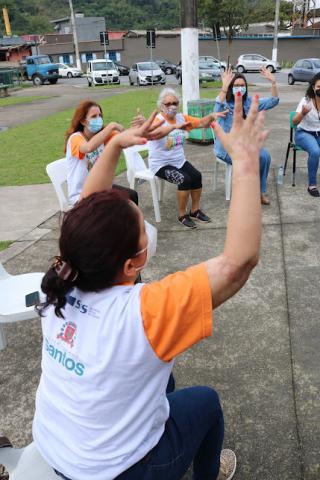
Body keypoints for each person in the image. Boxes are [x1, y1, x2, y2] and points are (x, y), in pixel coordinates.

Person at [33, 94, 268, 480]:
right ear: (132, 263)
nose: (147, 228)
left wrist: (115, 145)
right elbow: (238, 263)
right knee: (206, 402)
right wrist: (245, 163)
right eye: (142, 224)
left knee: (168, 381)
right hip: (120, 471)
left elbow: (85, 212)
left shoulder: (59, 278)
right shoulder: (145, 313)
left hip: (57, 447)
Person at [133, 88, 227, 229]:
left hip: (179, 161)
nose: (172, 106)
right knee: (184, 179)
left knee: (196, 176)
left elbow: (201, 123)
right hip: (160, 165)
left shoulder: (182, 118)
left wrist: (212, 116)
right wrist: (145, 123)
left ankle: (194, 210)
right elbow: (153, 133)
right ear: (161, 106)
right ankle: (182, 215)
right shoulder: (157, 121)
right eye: (168, 103)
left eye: (175, 103)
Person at [214, 67, 279, 205]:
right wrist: (224, 87)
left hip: (245, 144)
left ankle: (259, 192)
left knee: (264, 156)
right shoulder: (225, 103)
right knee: (249, 159)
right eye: (236, 86)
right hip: (227, 147)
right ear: (231, 87)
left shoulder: (250, 103)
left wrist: (273, 83)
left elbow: (273, 101)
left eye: (242, 85)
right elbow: (216, 109)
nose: (239, 88)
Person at [65, 99, 139, 205]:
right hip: (81, 195)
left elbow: (126, 137)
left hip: (100, 188)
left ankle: (132, 222)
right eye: (94, 116)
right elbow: (89, 147)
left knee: (132, 195)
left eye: (99, 115)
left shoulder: (103, 135)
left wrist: (140, 126)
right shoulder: (75, 138)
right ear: (83, 121)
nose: (98, 119)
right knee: (115, 206)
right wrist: (111, 126)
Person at [293, 72, 320, 197]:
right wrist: (303, 113)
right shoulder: (306, 100)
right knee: (315, 151)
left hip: (318, 133)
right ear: (314, 87)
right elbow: (294, 122)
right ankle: (312, 185)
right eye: (319, 87)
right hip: (303, 133)